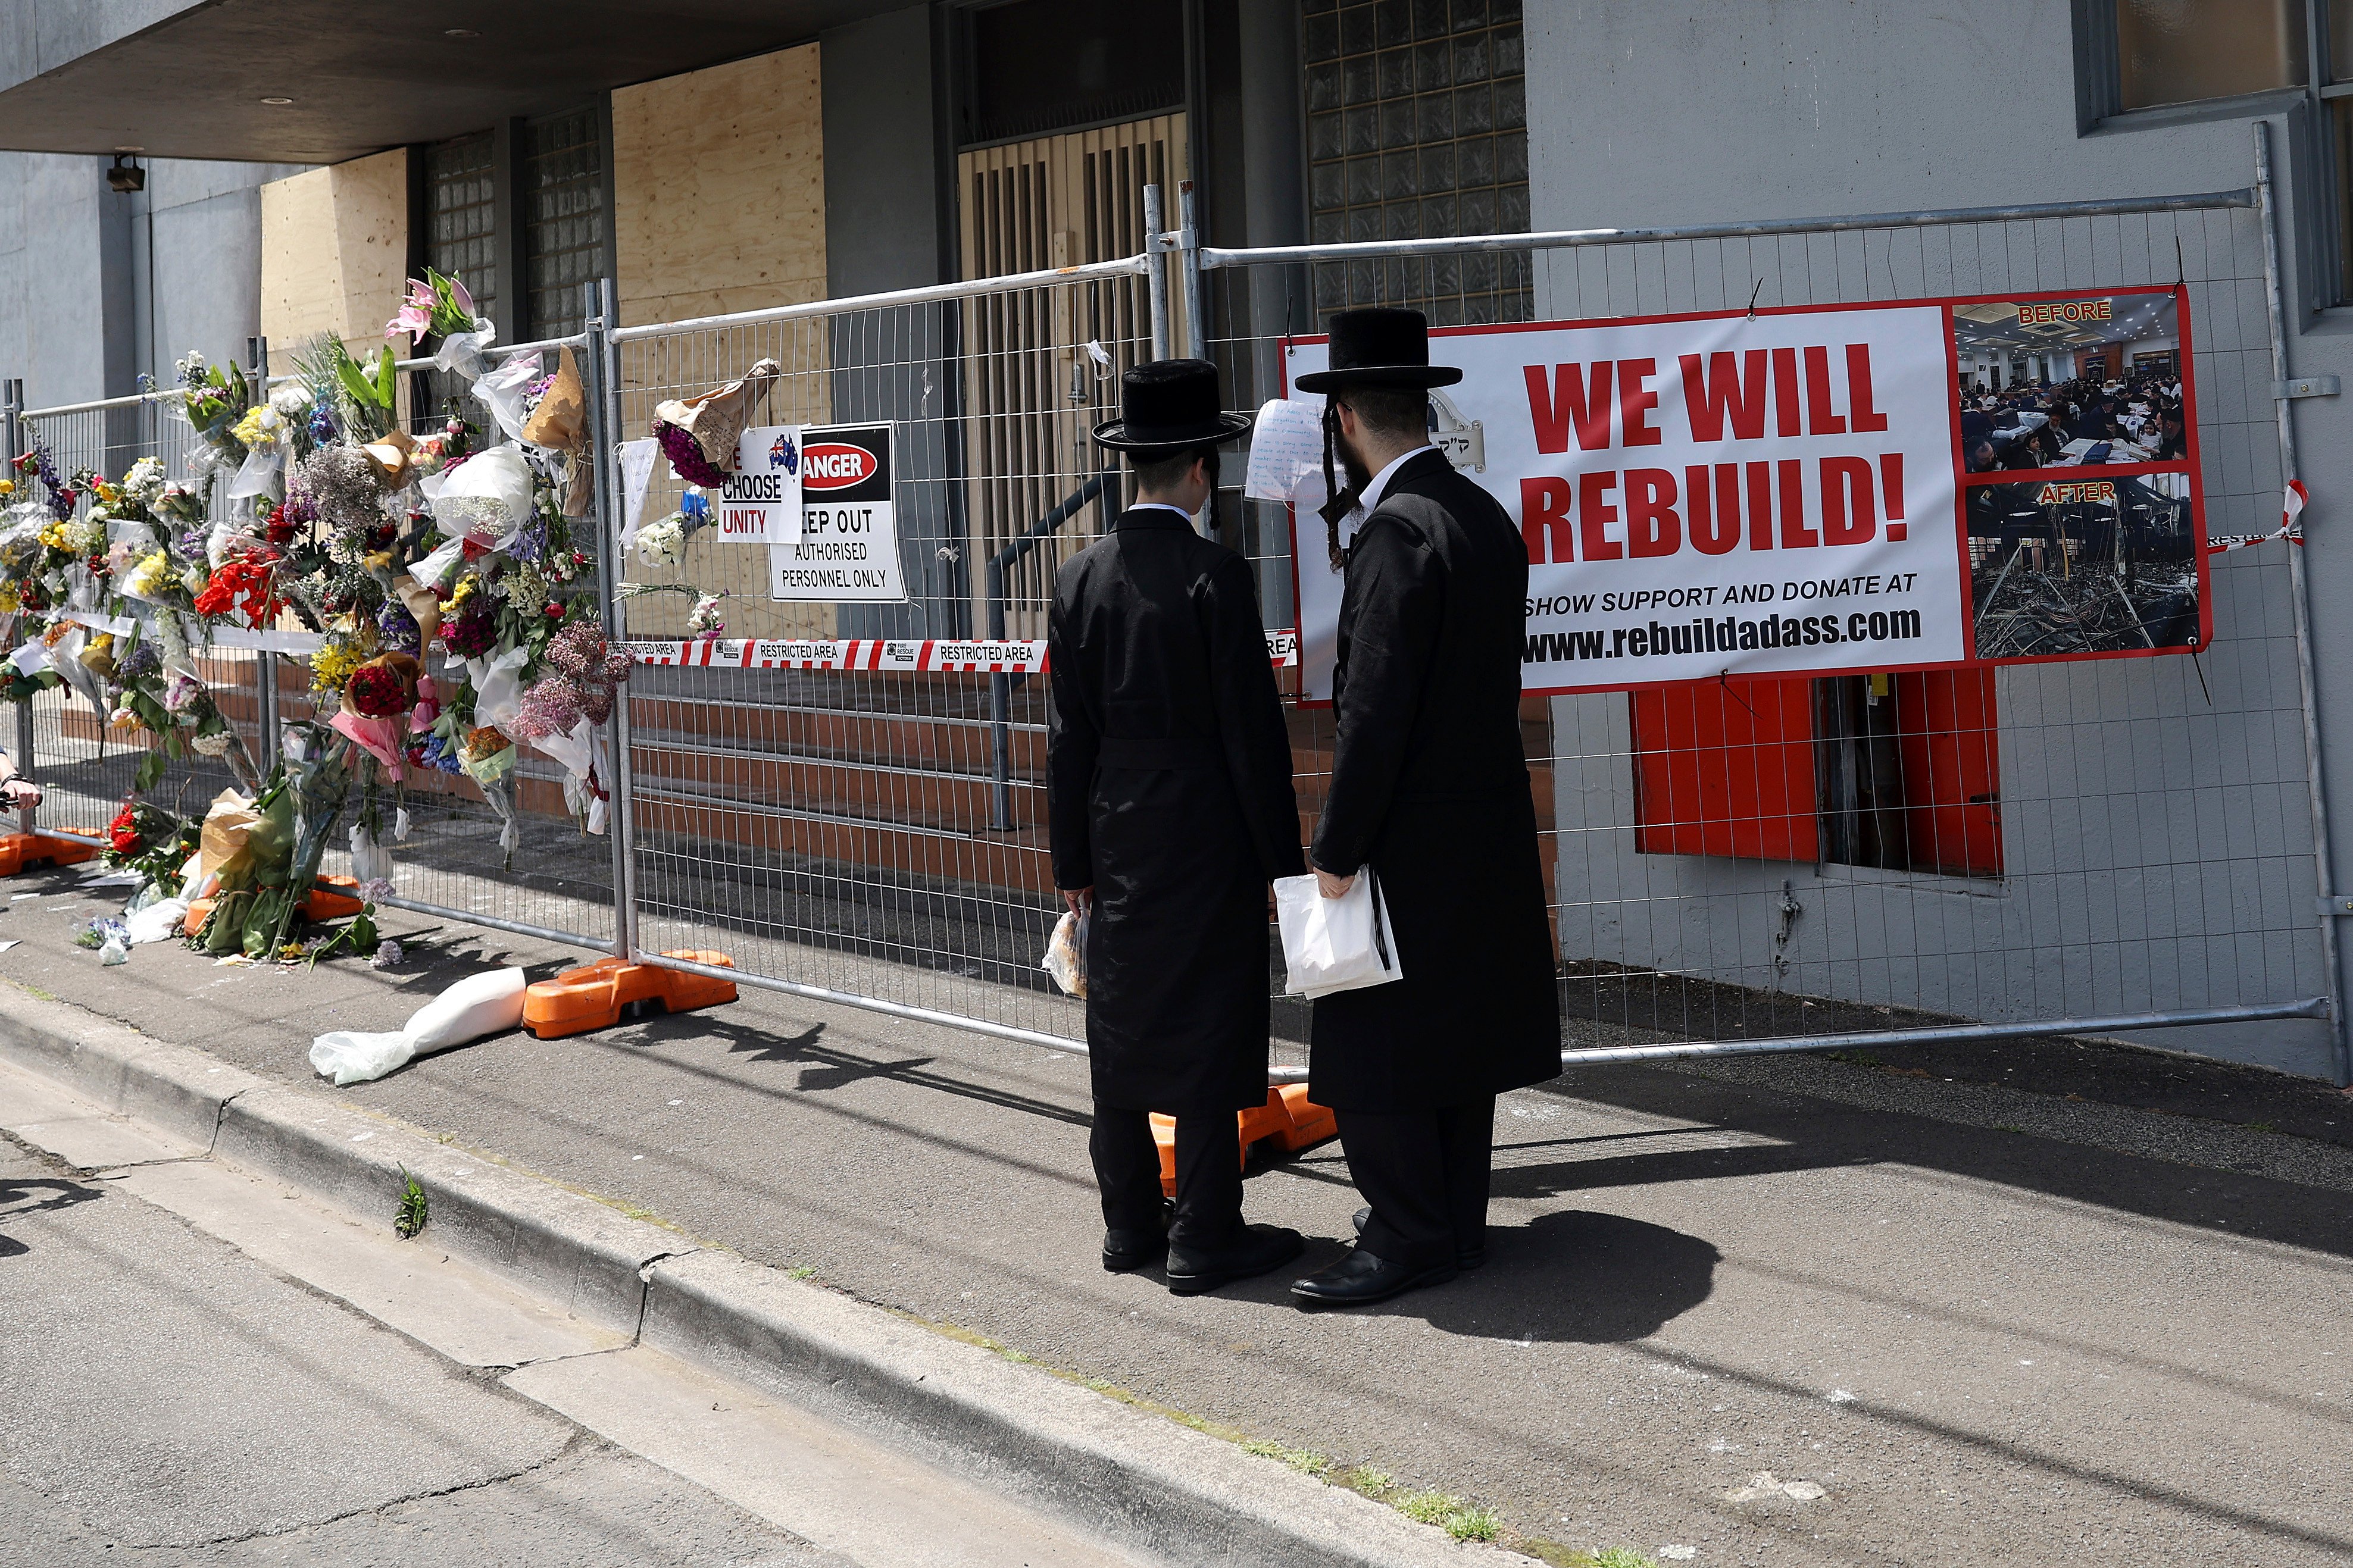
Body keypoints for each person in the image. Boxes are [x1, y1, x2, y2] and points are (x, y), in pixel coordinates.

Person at [1286, 308, 1563, 1310]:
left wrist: (1338, 842)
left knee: (1376, 1041)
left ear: (1347, 416)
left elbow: (1376, 709)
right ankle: (1453, 1224)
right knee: (1457, 1031)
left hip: (1407, 826)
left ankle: (1404, 1233)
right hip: (1482, 815)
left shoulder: (1395, 532)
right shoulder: (1481, 513)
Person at [1046, 358, 1308, 1296]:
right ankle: (1204, 1232)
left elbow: (1064, 739)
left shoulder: (1077, 581)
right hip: (1207, 832)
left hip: (1113, 830)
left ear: (1134, 468)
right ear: (1201, 469)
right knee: (1207, 1022)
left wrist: (1069, 863)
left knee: (1118, 1022)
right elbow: (1253, 738)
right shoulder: (1216, 577)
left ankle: (1128, 1225)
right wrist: (1283, 868)